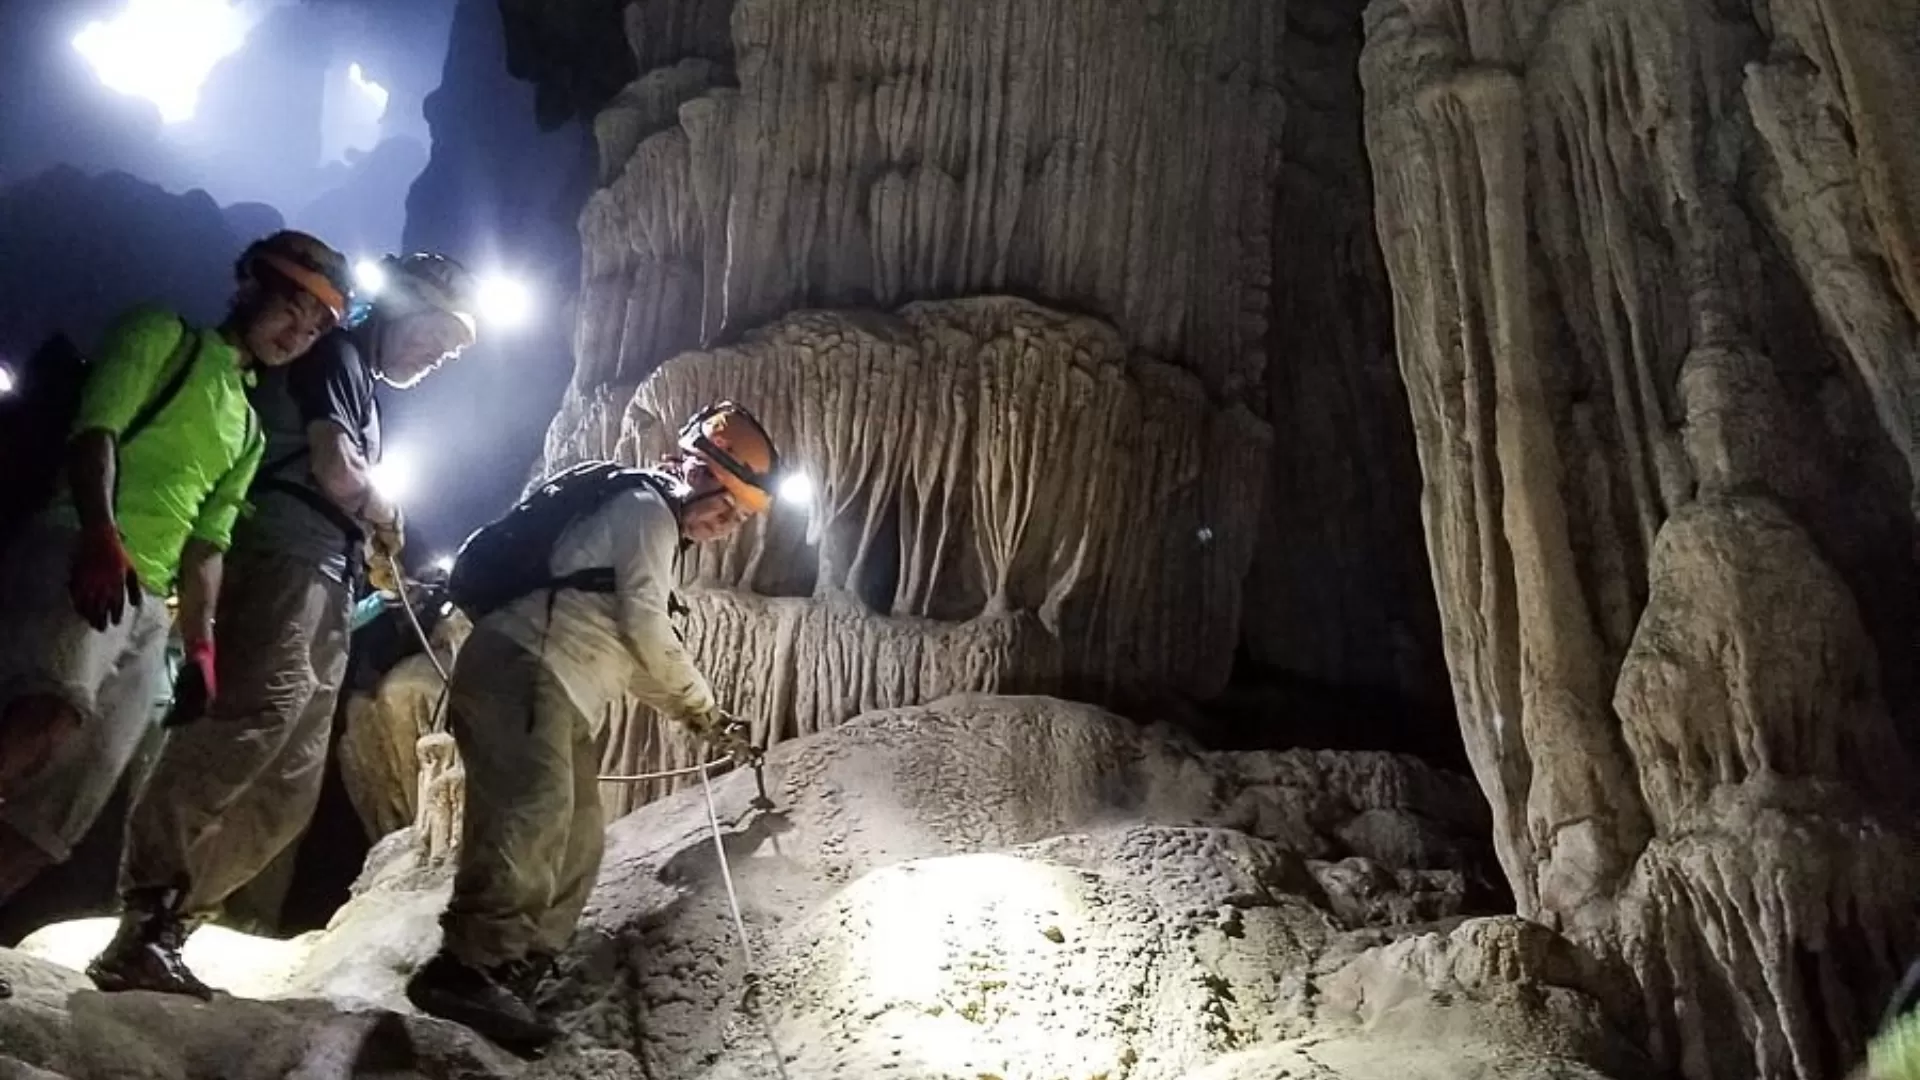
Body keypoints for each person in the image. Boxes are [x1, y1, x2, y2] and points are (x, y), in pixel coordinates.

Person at [87, 254, 482, 996]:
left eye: (452, 352)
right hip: (281, 554)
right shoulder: (336, 355)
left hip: (328, 574)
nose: (438, 359)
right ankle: (143, 911)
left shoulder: (364, 387)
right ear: (400, 308)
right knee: (252, 718)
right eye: (436, 335)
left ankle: (171, 929)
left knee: (293, 781)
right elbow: (336, 473)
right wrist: (384, 511)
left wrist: (367, 542)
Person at [0, 231, 349, 1000]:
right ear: (251, 283)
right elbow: (98, 430)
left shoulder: (251, 426)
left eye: (316, 325)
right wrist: (100, 531)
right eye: (292, 305)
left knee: (72, 799)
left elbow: (208, 545)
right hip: (82, 550)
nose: (298, 332)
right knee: (41, 724)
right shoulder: (164, 335)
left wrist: (202, 651)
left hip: (150, 601)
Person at [404, 401, 778, 1052]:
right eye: (728, 503)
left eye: (741, 517)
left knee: (580, 840)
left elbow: (635, 660)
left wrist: (704, 720)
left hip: (563, 691)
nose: (727, 523)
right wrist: (704, 703)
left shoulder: (654, 532)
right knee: (533, 811)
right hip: (524, 668)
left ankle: (518, 969)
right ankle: (465, 967)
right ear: (696, 470)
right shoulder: (644, 510)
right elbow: (648, 629)